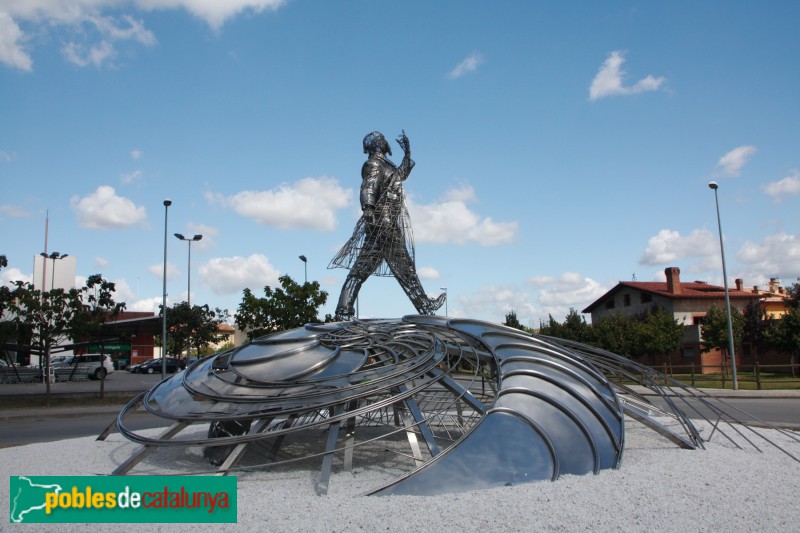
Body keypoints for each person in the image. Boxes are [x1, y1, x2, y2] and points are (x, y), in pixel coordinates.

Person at [329, 131, 446, 320]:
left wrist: (407, 153)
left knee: (364, 270)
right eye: (382, 140)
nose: (386, 142)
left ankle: (343, 309)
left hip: (386, 224)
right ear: (376, 144)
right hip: (382, 224)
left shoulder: (386, 165)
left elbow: (402, 174)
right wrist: (368, 208)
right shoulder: (374, 164)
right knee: (403, 269)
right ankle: (425, 307)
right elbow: (369, 186)